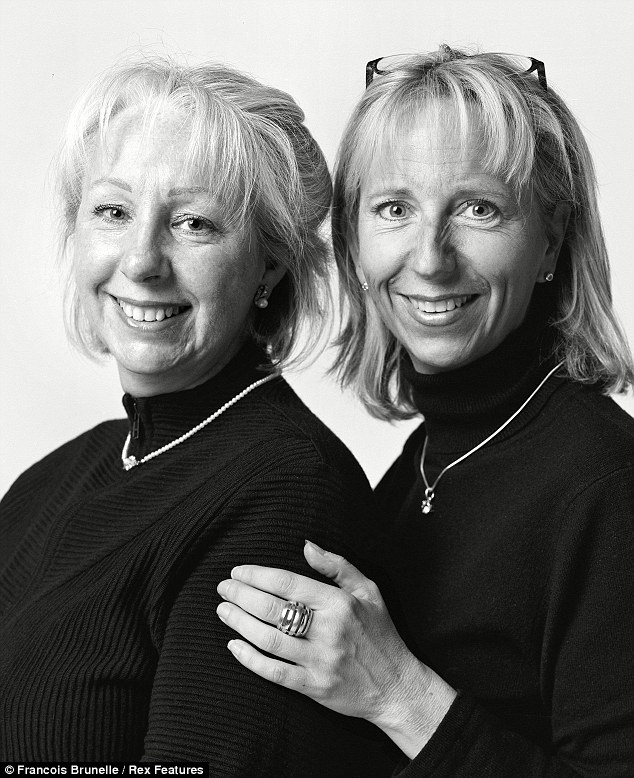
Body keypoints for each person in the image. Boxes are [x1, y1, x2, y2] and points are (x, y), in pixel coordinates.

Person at [215, 47, 634, 776]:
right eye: (395, 209)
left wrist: (397, 693)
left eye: (479, 209)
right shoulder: (421, 464)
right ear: (352, 243)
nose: (431, 259)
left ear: (552, 239)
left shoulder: (606, 481)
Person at [0, 56, 398, 775]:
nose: (142, 262)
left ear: (271, 264)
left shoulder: (283, 490)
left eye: (193, 223)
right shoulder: (52, 481)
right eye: (113, 212)